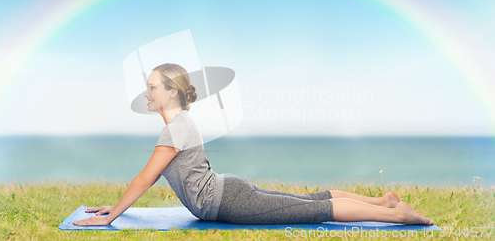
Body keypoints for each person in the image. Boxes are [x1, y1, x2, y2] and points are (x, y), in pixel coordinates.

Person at [73, 63, 434, 226]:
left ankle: (394, 214)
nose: (147, 93)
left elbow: (144, 178)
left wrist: (113, 216)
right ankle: (381, 201)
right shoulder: (181, 124)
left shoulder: (174, 130)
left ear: (172, 92)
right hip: (228, 191)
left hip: (228, 199)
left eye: (153, 87)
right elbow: (149, 180)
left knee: (312, 211)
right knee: (307, 202)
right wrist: (117, 208)